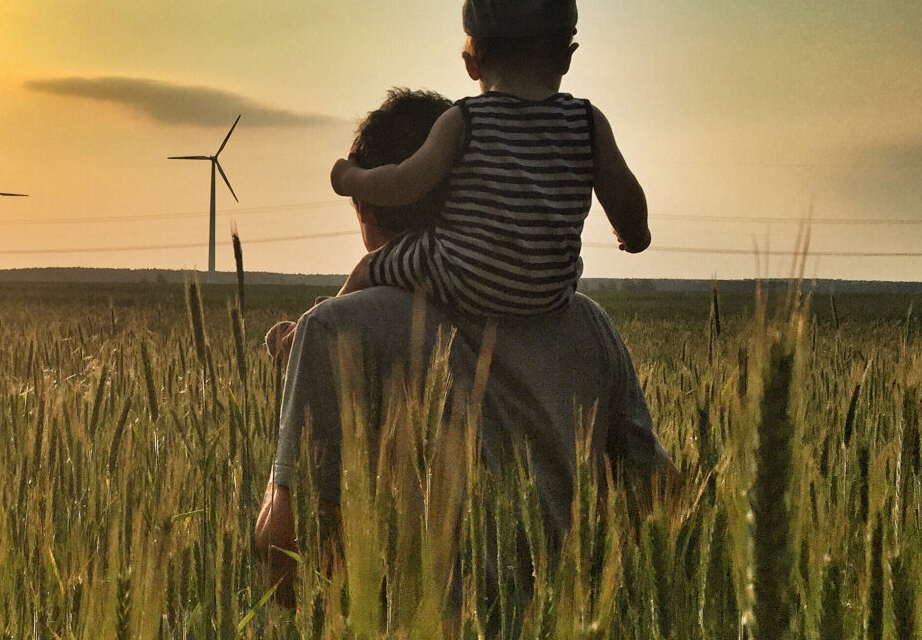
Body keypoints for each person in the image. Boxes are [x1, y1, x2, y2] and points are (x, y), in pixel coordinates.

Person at [255, 87, 674, 609]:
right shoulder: (588, 322)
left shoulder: (331, 330)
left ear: (365, 203)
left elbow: (289, 549)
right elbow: (659, 497)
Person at [330, 0, 651, 317]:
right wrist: (635, 237)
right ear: (566, 57)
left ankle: (313, 329)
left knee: (369, 267)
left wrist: (349, 179)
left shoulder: (464, 120)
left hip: (465, 279)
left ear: (472, 64)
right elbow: (626, 198)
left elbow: (403, 184)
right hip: (550, 294)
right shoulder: (588, 122)